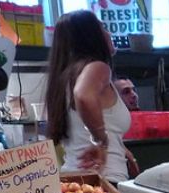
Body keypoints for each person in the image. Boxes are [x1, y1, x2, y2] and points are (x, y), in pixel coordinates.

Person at [44, 10, 139, 183]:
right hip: (104, 182)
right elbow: (83, 96)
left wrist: (118, 146)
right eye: (102, 28)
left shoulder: (64, 77)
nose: (109, 34)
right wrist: (101, 141)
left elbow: (80, 130)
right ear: (91, 37)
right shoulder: (98, 68)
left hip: (73, 180)